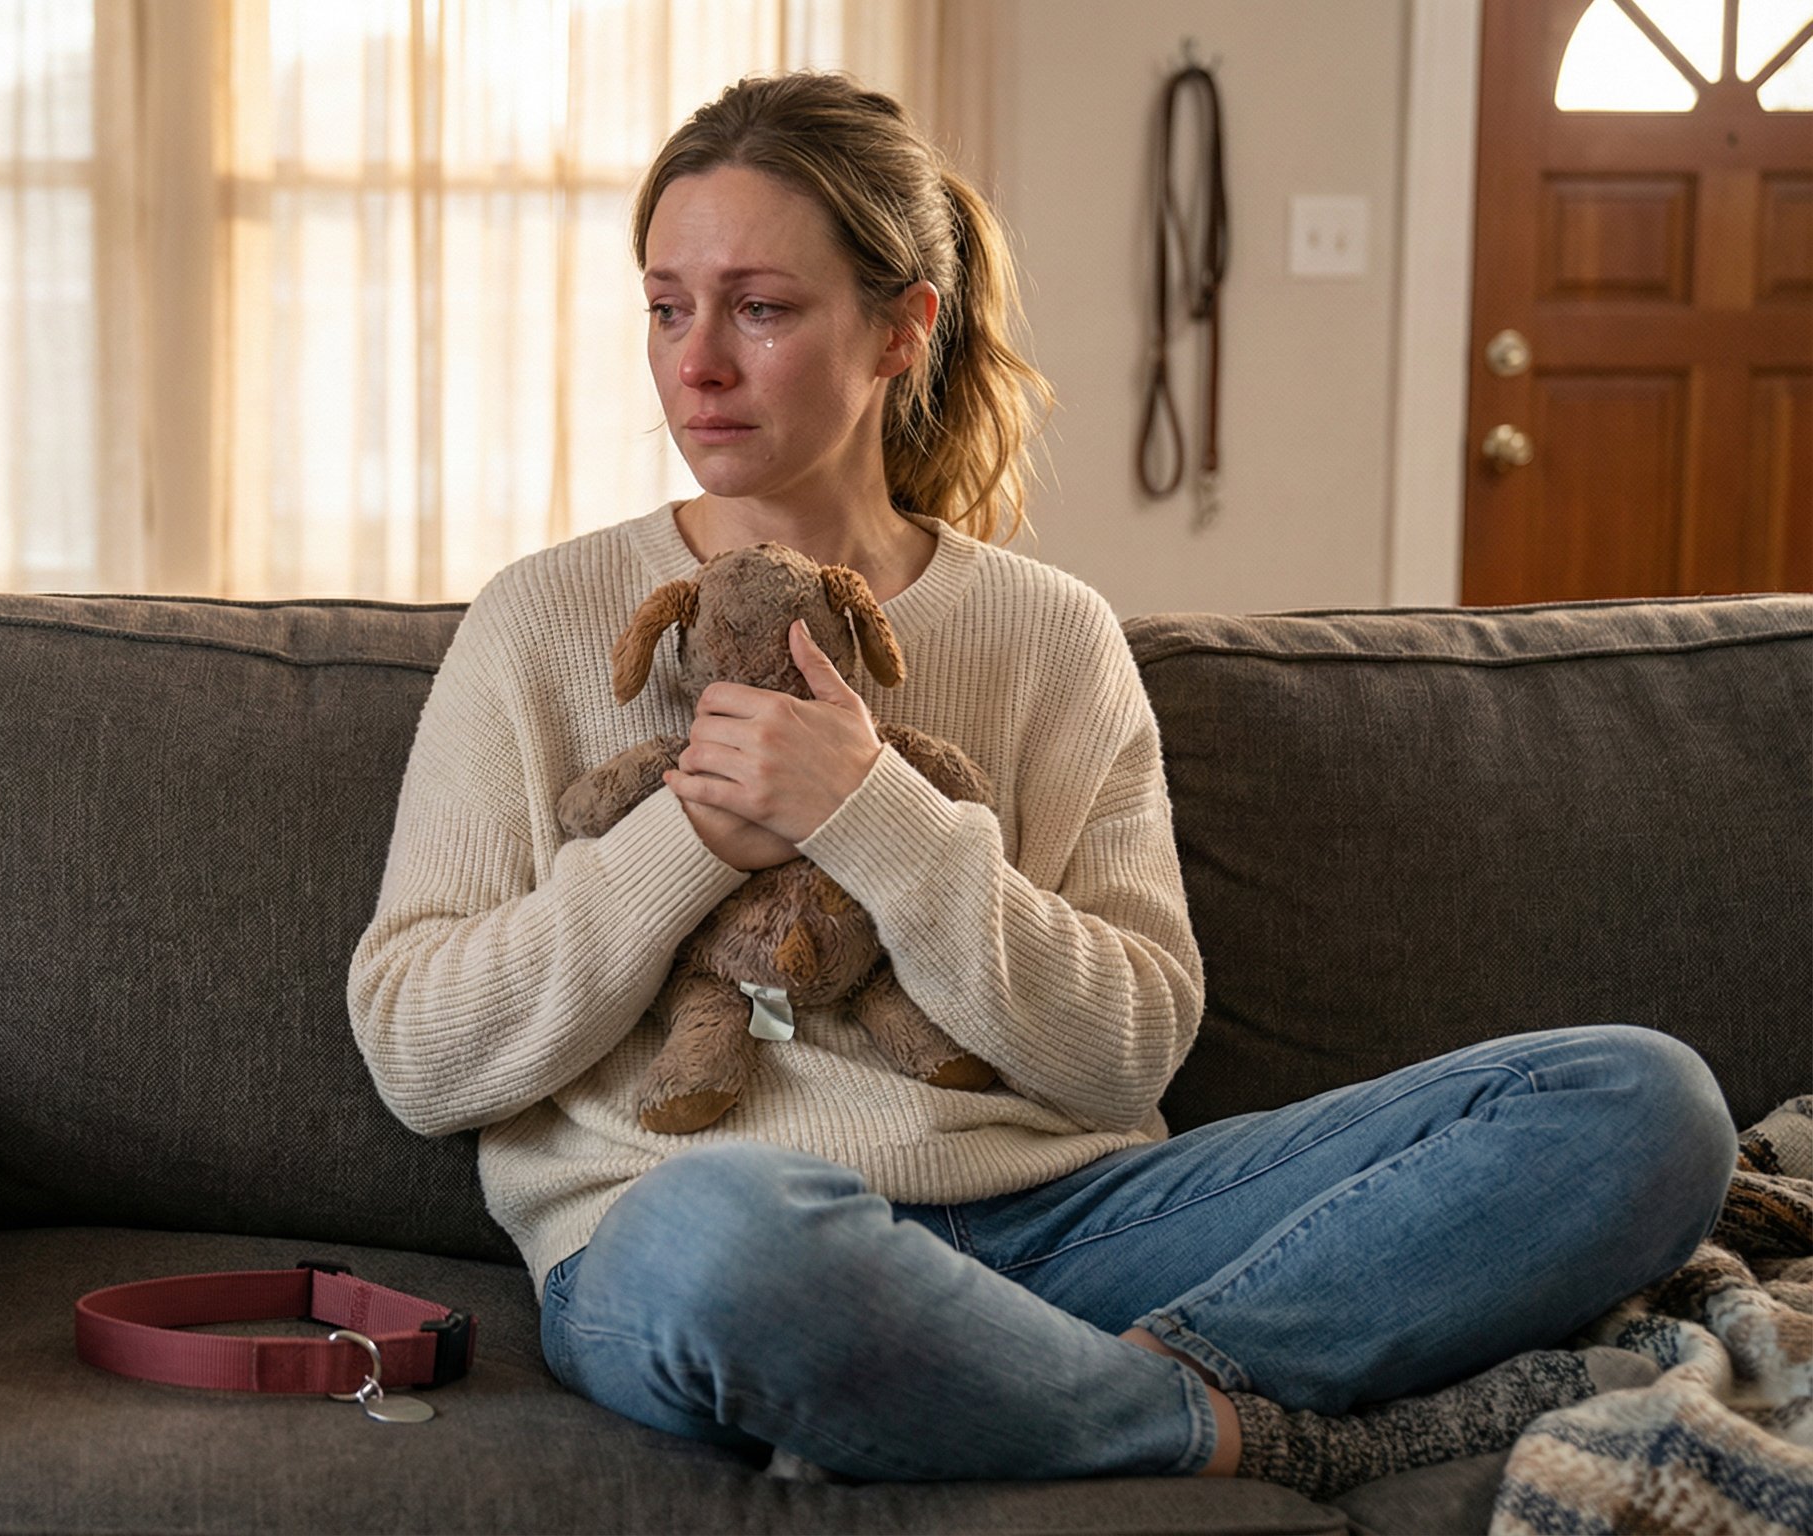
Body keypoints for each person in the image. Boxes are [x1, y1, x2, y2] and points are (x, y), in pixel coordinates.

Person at [344, 70, 1737, 1499]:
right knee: (720, 1233)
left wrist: (875, 817)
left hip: (1070, 1227)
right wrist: (691, 833)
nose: (695, 364)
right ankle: (1248, 1429)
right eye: (665, 307)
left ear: (903, 328)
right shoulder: (543, 621)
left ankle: (995, 1390)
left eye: (759, 308)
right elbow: (417, 1050)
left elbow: (1128, 1050)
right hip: (714, 1246)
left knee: (1642, 1106)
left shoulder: (1048, 633)